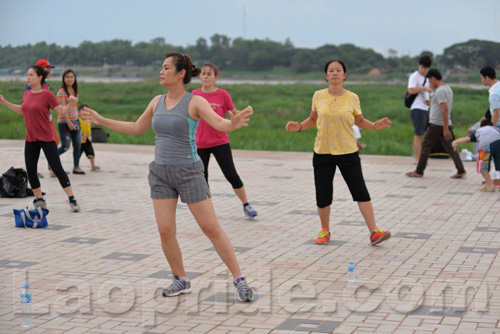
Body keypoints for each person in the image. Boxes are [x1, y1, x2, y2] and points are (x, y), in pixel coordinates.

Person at [83, 52, 254, 302]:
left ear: (180, 73)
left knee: (210, 228)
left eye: (166, 68)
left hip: (189, 172)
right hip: (160, 173)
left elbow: (219, 123)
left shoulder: (194, 102)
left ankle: (240, 279)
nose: (161, 72)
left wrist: (233, 124)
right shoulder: (156, 101)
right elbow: (135, 128)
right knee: (165, 231)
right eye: (161, 68)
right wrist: (101, 120)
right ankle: (181, 279)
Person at [285, 59, 392, 246]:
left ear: (345, 75)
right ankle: (324, 230)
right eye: (331, 70)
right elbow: (312, 119)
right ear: (326, 76)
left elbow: (360, 120)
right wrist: (299, 126)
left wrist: (375, 125)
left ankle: (374, 231)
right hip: (323, 151)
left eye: (338, 70)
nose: (335, 73)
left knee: (360, 191)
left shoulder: (352, 97)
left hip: (348, 151)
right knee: (323, 193)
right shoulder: (318, 96)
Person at [0, 65, 80, 212]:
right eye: (27, 75)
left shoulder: (47, 95)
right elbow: (22, 110)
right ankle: (40, 200)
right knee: (31, 170)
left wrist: (70, 104)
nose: (28, 78)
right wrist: (5, 102)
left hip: (46, 138)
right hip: (31, 139)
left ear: (39, 77)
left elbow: (61, 111)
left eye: (31, 75)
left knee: (57, 169)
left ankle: (72, 199)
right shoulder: (27, 94)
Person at [192, 62, 257, 218]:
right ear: (200, 76)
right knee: (202, 178)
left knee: (231, 175)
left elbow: (234, 114)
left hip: (220, 142)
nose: (206, 76)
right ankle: (207, 212)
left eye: (209, 74)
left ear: (215, 77)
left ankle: (246, 204)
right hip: (200, 144)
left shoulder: (223, 95)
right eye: (203, 74)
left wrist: (244, 113)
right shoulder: (194, 95)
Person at [406, 69, 466, 179]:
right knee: (451, 147)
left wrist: (445, 128)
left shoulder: (440, 91)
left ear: (433, 78)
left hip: (437, 124)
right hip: (442, 124)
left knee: (425, 146)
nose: (430, 83)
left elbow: (445, 109)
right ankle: (461, 170)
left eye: (430, 80)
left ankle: (419, 171)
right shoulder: (447, 88)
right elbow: (441, 105)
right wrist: (431, 103)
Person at [26, 59, 60, 178]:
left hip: (47, 118)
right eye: (47, 68)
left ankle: (53, 168)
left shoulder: (46, 85)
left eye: (50, 68)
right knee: (49, 143)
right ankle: (52, 169)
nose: (49, 71)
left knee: (56, 141)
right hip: (40, 121)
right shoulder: (33, 86)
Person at [453, 119, 500, 192]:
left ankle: (490, 185)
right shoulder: (496, 129)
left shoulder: (479, 131)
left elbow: (466, 139)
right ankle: (498, 183)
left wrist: (455, 142)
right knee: (498, 165)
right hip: (499, 142)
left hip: (486, 146)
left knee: (482, 166)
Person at [56, 69, 85, 175]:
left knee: (77, 145)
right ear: (64, 79)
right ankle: (51, 161)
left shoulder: (74, 90)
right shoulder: (61, 92)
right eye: (67, 77)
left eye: (71, 77)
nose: (69, 79)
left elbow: (74, 106)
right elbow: (63, 109)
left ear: (74, 78)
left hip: (76, 121)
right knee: (65, 147)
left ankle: (76, 167)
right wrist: (69, 123)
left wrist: (78, 120)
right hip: (64, 122)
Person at [408, 55, 433, 163]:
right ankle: (418, 159)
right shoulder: (414, 76)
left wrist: (428, 101)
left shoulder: (426, 78)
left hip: (425, 108)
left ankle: (421, 158)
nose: (424, 70)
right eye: (422, 67)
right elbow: (410, 90)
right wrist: (423, 88)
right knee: (418, 135)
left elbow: (425, 94)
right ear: (419, 65)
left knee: (423, 135)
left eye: (426, 68)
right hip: (417, 108)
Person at [480, 66, 500, 186]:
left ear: (487, 78)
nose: (481, 81)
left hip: (498, 127)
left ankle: (495, 180)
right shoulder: (498, 86)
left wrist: (490, 130)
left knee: (495, 153)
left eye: (482, 78)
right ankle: (496, 179)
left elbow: (496, 114)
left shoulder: (494, 94)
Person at [78, 104, 100, 171]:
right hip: (80, 141)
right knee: (77, 154)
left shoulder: (89, 120)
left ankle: (93, 166)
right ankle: (76, 166)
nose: (85, 112)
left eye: (87, 111)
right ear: (78, 112)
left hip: (88, 140)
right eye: (83, 110)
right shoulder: (78, 120)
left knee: (91, 153)